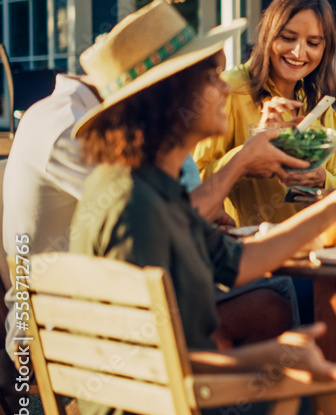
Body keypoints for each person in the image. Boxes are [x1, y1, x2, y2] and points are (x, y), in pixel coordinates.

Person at [69, 0, 336, 415]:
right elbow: (160, 367)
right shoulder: (138, 208)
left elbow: (241, 263)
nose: (226, 87)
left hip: (161, 413)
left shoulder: (143, 186)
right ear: (173, 97)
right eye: (211, 77)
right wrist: (274, 366)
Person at [2, 70, 311, 353]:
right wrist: (240, 163)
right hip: (66, 325)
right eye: (210, 75)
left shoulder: (110, 133)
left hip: (107, 301)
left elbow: (175, 214)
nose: (227, 86)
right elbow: (166, 217)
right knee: (274, 303)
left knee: (273, 300)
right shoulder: (75, 131)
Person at [193, 0, 336, 228]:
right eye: (288, 38)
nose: (299, 52)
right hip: (247, 248)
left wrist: (323, 179)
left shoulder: (319, 104)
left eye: (313, 43)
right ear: (268, 35)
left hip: (317, 246)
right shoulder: (229, 89)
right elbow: (196, 180)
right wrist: (249, 155)